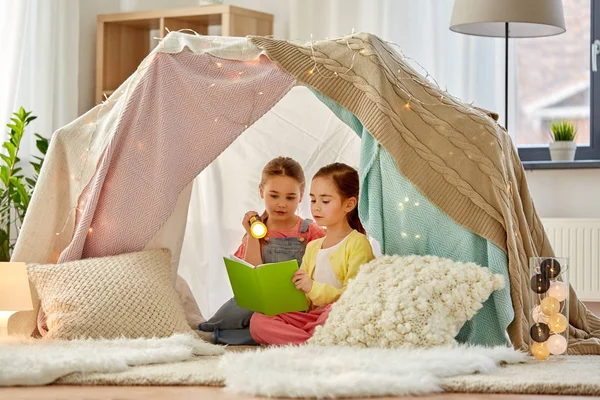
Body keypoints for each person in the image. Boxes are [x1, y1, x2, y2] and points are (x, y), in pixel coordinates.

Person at [198, 157, 325, 345]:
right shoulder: (257, 229)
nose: (282, 204)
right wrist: (252, 236)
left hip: (295, 307)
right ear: (261, 191)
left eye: (290, 197)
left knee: (262, 321)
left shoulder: (310, 232)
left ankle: (222, 336)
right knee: (238, 308)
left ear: (301, 195)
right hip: (258, 304)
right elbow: (251, 271)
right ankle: (210, 330)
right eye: (274, 196)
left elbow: (324, 273)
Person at [249, 162, 375, 345]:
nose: (316, 207)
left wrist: (311, 287)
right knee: (258, 320)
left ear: (349, 204)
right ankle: (312, 343)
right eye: (313, 199)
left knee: (331, 314)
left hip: (338, 315)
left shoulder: (357, 243)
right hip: (312, 318)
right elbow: (306, 301)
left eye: (325, 201)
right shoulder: (313, 246)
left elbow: (354, 298)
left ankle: (309, 341)